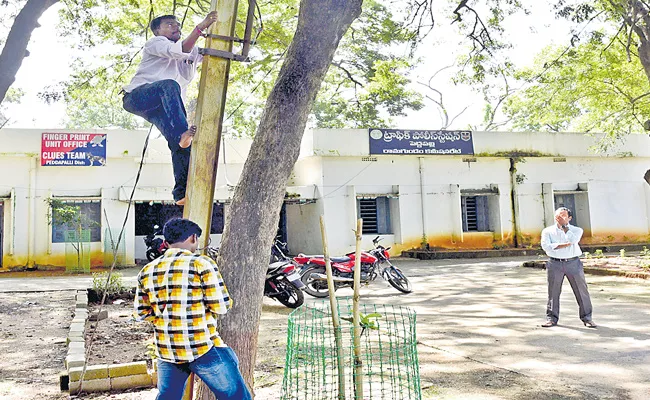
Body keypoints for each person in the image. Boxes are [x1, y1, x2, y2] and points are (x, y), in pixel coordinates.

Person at [135, 218, 251, 399]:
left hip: (167, 349)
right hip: (201, 347)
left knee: (168, 397)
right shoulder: (201, 264)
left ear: (166, 243)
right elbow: (220, 306)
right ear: (193, 238)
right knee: (236, 396)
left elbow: (142, 312)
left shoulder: (147, 270)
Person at [123, 12, 218, 206]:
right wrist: (201, 27)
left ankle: (180, 193)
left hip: (158, 108)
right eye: (169, 25)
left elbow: (209, 51)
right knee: (169, 85)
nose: (176, 27)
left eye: (177, 25)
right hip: (137, 97)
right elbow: (179, 49)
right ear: (158, 30)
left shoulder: (190, 51)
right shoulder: (155, 43)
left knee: (180, 144)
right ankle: (182, 132)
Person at [540, 207, 597, 328]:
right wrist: (564, 245)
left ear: (569, 218)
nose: (559, 218)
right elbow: (546, 247)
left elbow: (573, 240)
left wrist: (565, 227)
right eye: (558, 216)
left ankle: (587, 318)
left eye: (563, 216)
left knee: (581, 291)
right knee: (553, 292)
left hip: (573, 263)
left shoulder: (576, 230)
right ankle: (551, 318)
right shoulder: (547, 231)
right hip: (554, 263)